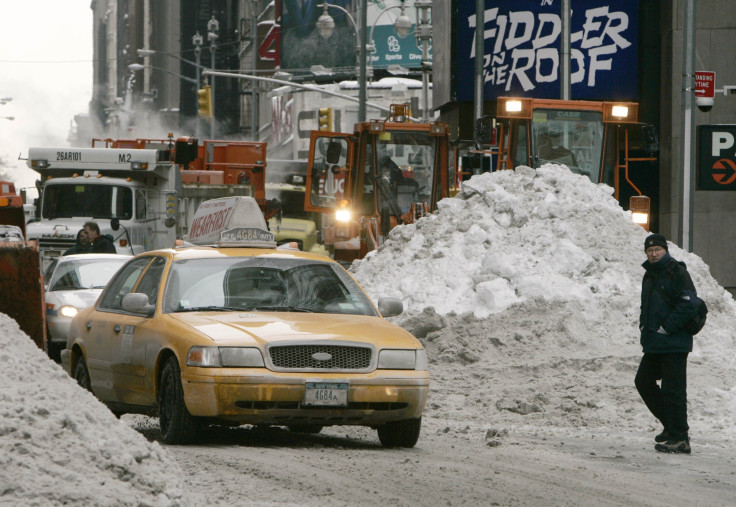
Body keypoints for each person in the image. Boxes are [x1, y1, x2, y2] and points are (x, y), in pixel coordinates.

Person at [635, 233, 699, 454]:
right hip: (655, 341)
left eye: (657, 250)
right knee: (643, 381)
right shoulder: (650, 275)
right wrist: (645, 329)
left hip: (674, 342)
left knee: (673, 390)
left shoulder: (676, 271)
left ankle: (680, 438)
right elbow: (647, 307)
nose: (653, 254)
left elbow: (688, 304)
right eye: (650, 251)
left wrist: (667, 327)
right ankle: (672, 427)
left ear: (665, 250)